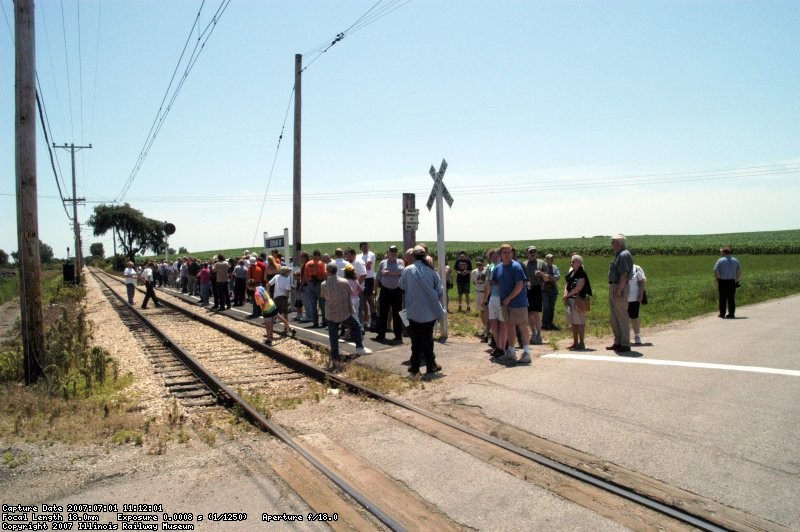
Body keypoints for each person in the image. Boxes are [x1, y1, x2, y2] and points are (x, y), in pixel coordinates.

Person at [399, 245, 445, 378]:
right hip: (429, 312)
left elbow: (401, 285)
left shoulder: (407, 270)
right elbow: (440, 291)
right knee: (428, 339)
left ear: (413, 256)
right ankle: (431, 365)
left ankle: (414, 368)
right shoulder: (431, 271)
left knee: (416, 341)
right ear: (424, 256)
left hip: (413, 311)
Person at [321, 263, 371, 371]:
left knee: (333, 336)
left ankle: (335, 359)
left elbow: (323, 296)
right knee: (356, 326)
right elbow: (350, 293)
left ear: (327, 271)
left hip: (330, 313)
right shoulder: (344, 282)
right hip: (344, 311)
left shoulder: (323, 284)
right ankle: (359, 347)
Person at [493, 244, 532, 363]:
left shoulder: (516, 267)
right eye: (505, 252)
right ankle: (511, 351)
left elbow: (520, 285)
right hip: (505, 303)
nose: (508, 254)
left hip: (518, 302)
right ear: (500, 255)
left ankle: (526, 353)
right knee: (509, 326)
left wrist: (509, 298)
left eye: (509, 252)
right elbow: (494, 281)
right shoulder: (498, 268)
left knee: (522, 326)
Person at [608, 234, 633, 352]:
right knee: (614, 316)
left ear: (618, 243)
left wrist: (620, 289)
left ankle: (625, 343)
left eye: (613, 242)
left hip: (619, 286)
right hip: (614, 285)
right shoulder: (619, 255)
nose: (612, 245)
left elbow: (624, 275)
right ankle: (618, 341)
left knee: (621, 316)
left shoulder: (623, 255)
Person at [375, 245, 404, 344]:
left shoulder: (400, 261)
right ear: (388, 253)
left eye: (395, 251)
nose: (393, 253)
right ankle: (381, 333)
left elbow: (401, 271)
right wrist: (374, 289)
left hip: (397, 291)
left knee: (397, 314)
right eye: (391, 251)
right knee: (383, 313)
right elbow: (378, 276)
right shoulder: (383, 263)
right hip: (385, 290)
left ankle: (398, 335)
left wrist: (389, 273)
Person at [563, 255, 592, 350]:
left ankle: (581, 342)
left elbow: (578, 287)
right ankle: (575, 342)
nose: (571, 263)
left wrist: (568, 295)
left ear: (579, 263)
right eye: (571, 262)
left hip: (578, 301)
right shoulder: (571, 273)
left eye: (573, 262)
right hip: (570, 300)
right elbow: (567, 284)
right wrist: (565, 294)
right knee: (573, 322)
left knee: (579, 322)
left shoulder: (582, 274)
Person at [524, 246, 546, 345]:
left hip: (537, 289)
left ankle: (539, 335)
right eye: (530, 252)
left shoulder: (541, 263)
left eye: (534, 251)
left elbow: (547, 278)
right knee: (528, 313)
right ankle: (533, 333)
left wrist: (541, 274)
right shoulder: (524, 264)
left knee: (536, 313)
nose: (532, 253)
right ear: (527, 254)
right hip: (527, 289)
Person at [714, 246, 741, 319]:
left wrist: (717, 278)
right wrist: (737, 280)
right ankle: (731, 314)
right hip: (732, 281)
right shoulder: (735, 260)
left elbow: (716, 270)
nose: (721, 253)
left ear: (724, 252)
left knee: (722, 298)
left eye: (721, 252)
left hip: (722, 281)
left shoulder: (720, 260)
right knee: (731, 298)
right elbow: (738, 271)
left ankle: (722, 314)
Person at [302, 250, 327, 328]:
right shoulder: (321, 263)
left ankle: (315, 322)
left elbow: (305, 275)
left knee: (313, 304)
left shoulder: (308, 264)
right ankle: (324, 321)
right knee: (322, 304)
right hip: (319, 284)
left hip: (310, 284)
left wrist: (309, 282)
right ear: (319, 255)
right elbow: (324, 274)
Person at [359, 242, 378, 329]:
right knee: (363, 301)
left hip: (369, 279)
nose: (365, 248)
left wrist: (360, 268)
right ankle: (366, 321)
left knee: (370, 300)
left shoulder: (371, 254)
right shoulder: (359, 256)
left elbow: (369, 265)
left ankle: (374, 321)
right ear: (361, 248)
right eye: (363, 247)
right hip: (362, 279)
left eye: (366, 247)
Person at [541, 254, 561, 331]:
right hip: (544, 290)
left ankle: (550, 323)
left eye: (552, 258)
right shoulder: (543, 267)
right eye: (550, 258)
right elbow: (543, 278)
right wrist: (551, 277)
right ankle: (544, 324)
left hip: (553, 290)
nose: (552, 259)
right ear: (546, 259)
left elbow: (558, 277)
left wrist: (548, 277)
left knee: (551, 307)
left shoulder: (555, 267)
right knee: (546, 307)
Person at [628, 264, 647, 345]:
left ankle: (637, 336)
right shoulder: (619, 267)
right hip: (622, 298)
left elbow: (642, 281)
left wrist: (641, 294)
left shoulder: (636, 268)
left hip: (634, 297)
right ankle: (625, 337)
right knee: (623, 318)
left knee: (634, 317)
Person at [471, 259, 489, 341]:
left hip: (485, 292)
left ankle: (487, 329)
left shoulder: (487, 271)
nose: (479, 266)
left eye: (480, 264)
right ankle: (486, 327)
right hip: (478, 292)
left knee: (486, 310)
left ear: (483, 264)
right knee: (481, 311)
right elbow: (474, 282)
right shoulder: (474, 272)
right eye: (477, 264)